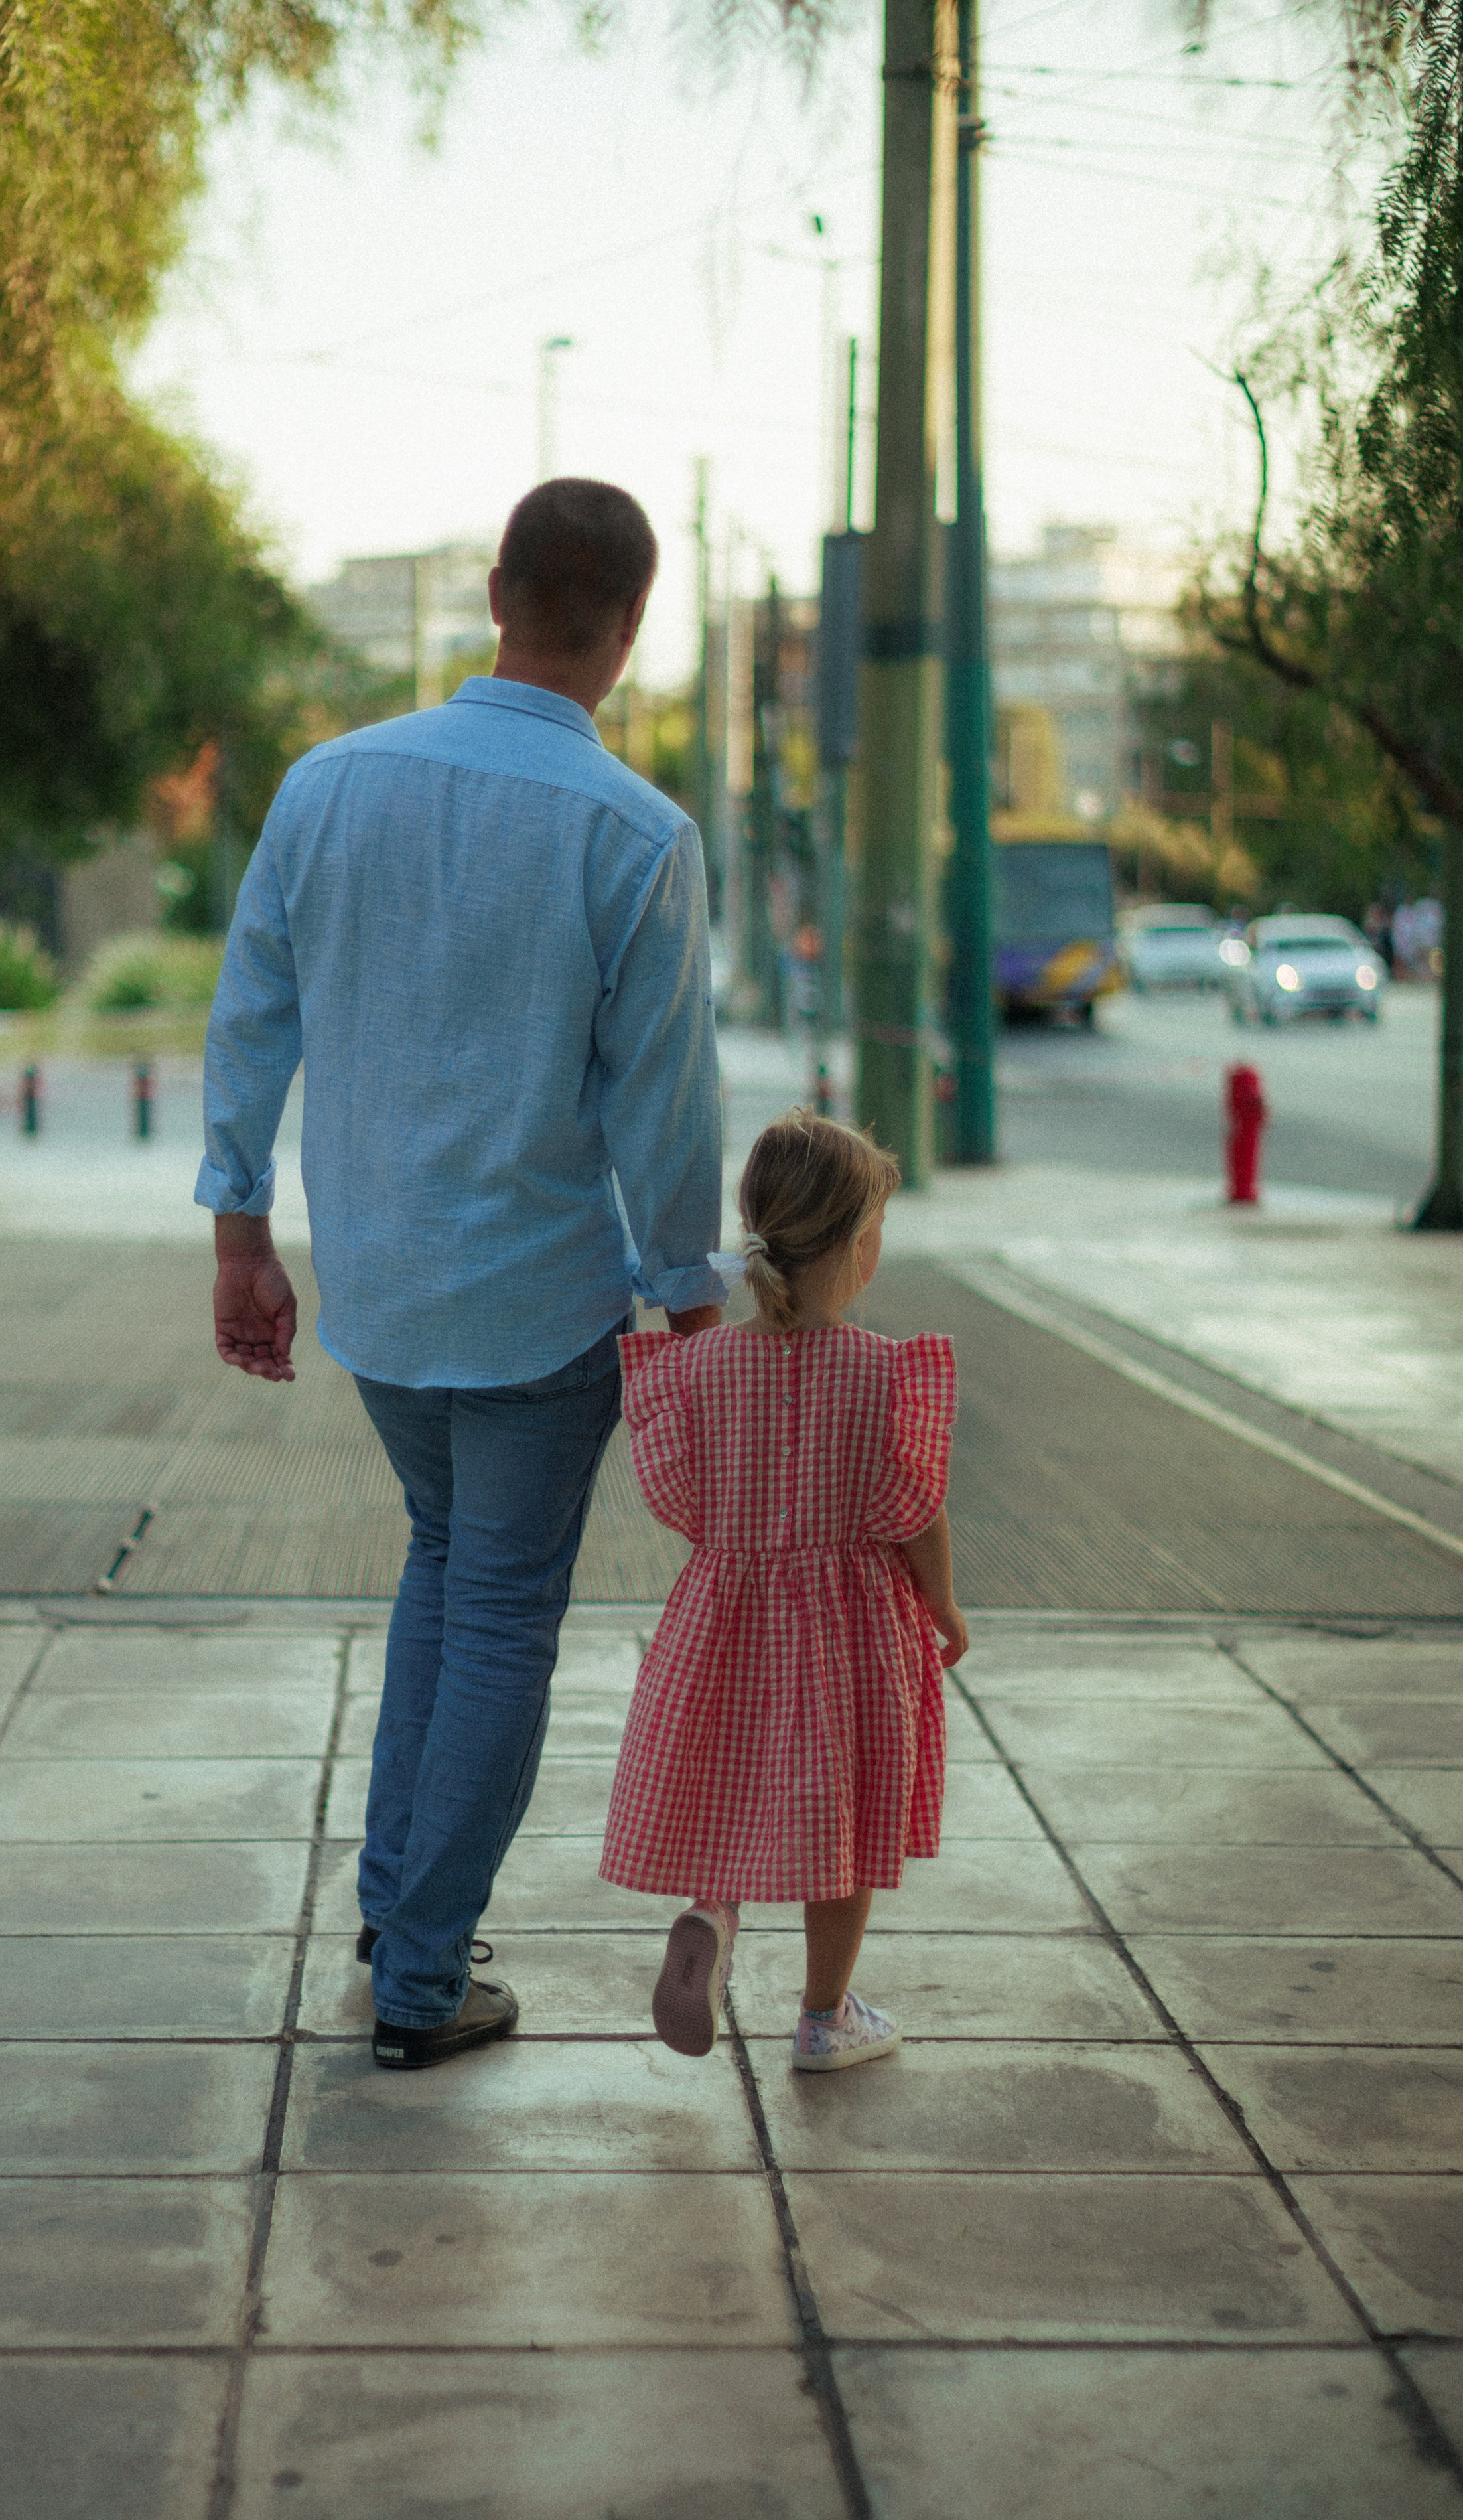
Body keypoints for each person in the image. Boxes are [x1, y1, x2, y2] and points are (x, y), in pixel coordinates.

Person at [196, 479, 727, 2070]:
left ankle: (391, 1914)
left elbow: (248, 1016)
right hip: (537, 1302)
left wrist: (240, 1233)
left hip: (375, 1288)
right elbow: (665, 1100)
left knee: (443, 1570)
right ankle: (421, 1979)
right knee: (496, 1610)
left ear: (494, 591)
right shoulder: (636, 835)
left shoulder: (327, 786)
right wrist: (693, 1306)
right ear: (629, 629)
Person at [599, 1108, 967, 2071]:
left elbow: (680, 1500)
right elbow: (916, 1513)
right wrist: (944, 1607)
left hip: (727, 1624)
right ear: (861, 1249)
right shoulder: (887, 1376)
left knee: (738, 1789)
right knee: (836, 1824)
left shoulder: (700, 1369)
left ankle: (715, 1914)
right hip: (850, 1636)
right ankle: (823, 2017)